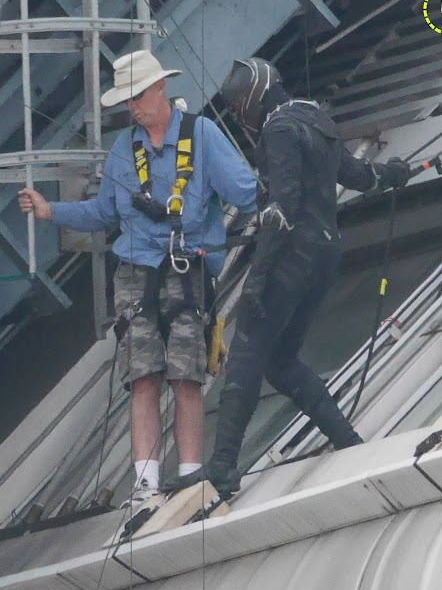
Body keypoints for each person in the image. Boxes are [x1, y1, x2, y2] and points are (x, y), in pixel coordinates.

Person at [18, 49, 257, 508]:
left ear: (160, 87)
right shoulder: (123, 149)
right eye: (126, 100)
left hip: (186, 268)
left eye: (137, 96)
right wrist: (51, 211)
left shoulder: (201, 134)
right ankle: (145, 485)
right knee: (142, 375)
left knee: (186, 374)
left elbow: (245, 192)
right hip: (134, 271)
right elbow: (105, 213)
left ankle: (190, 476)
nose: (132, 107)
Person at [163, 57, 411, 498]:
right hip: (325, 256)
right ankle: (348, 441)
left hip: (291, 256)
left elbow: (281, 210)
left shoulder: (278, 129)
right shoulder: (316, 119)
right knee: (280, 361)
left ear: (252, 99)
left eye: (238, 109)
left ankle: (222, 467)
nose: (240, 117)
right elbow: (361, 176)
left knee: (246, 350)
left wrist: (258, 278)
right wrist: (394, 173)